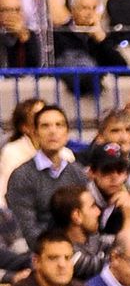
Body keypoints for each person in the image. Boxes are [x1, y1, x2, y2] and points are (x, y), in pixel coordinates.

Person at [6, 105, 86, 248]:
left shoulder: (78, 173)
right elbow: (27, 230)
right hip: (41, 250)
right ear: (35, 134)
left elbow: (89, 221)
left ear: (67, 133)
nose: (53, 131)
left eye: (59, 125)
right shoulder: (22, 177)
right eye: (45, 126)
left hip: (79, 249)